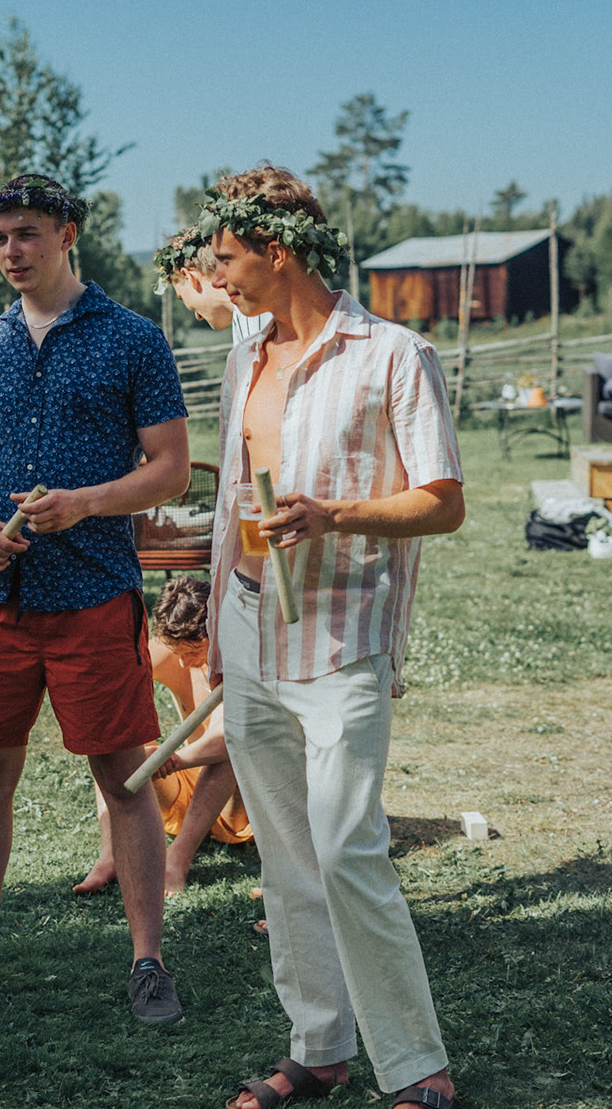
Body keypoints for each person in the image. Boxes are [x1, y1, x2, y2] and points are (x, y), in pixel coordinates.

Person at [0, 173, 192, 1026]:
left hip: (93, 589)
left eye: (25, 233)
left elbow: (171, 469)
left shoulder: (133, 339)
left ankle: (148, 963)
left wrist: (87, 502)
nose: (11, 251)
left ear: (68, 233)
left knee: (123, 776)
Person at [199, 165, 464, 1109]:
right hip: (247, 623)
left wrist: (335, 515)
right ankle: (319, 1048)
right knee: (284, 856)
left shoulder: (394, 354)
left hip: (342, 630)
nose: (214, 275)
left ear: (277, 252)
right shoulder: (245, 359)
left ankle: (418, 1068)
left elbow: (443, 502)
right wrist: (216, 613)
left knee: (348, 847)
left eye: (226, 258)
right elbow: (234, 495)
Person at [72, 574, 250, 899]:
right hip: (185, 796)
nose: (183, 662)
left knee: (228, 754)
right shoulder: (174, 650)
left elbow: (227, 736)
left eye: (193, 650)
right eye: (175, 651)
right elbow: (112, 694)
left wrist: (173, 758)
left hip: (237, 809)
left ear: (215, 634)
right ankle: (110, 855)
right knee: (110, 742)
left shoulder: (238, 658)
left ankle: (177, 859)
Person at [153, 225, 274, 344]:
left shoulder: (257, 313)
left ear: (189, 277)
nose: (198, 316)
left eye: (181, 297)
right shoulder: (245, 315)